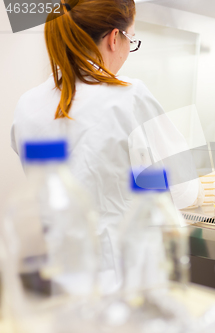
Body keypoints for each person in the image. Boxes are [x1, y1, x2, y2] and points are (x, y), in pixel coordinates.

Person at [10, 0, 201, 287]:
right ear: (114, 37)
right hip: (121, 277)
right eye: (131, 39)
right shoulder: (129, 95)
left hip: (55, 272)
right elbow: (183, 190)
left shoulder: (28, 104)